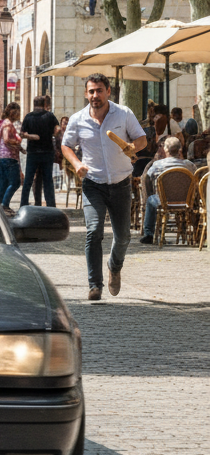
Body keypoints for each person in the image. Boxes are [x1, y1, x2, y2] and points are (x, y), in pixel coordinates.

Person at [61, 74, 146, 301]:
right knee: (93, 230)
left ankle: (114, 266)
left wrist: (131, 146)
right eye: (91, 91)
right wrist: (77, 164)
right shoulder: (78, 119)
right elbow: (66, 146)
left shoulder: (124, 113)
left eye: (99, 90)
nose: (95, 96)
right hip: (93, 184)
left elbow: (142, 139)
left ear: (108, 91)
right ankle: (94, 285)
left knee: (123, 237)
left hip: (121, 184)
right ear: (85, 93)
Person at [138, 136, 196, 244]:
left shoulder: (157, 165)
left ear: (165, 149)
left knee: (150, 199)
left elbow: (148, 177)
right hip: (186, 201)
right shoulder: (189, 165)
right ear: (180, 150)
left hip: (163, 200)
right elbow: (196, 178)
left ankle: (149, 233)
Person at [20, 95, 60, 207]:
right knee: (48, 180)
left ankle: (23, 204)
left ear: (34, 104)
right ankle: (51, 205)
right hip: (47, 151)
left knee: (28, 179)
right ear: (44, 104)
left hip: (33, 152)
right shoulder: (50, 116)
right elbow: (58, 129)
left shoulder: (28, 117)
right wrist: (52, 134)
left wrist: (31, 136)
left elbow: (23, 134)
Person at [0, 102, 22, 215]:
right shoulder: (8, 124)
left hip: (2, 157)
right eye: (17, 112)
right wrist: (17, 141)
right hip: (9, 158)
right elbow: (6, 139)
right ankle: (4, 204)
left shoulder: (4, 123)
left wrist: (20, 148)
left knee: (3, 181)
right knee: (15, 182)